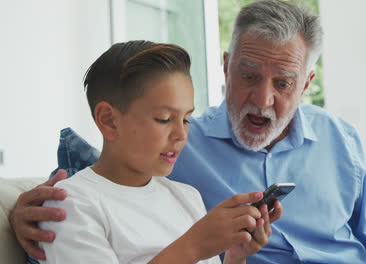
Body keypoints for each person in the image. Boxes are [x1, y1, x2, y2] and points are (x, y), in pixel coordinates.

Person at [9, 1, 366, 263]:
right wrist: (22, 209)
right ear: (226, 67)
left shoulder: (340, 139)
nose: (262, 99)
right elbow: (103, 180)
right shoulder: (175, 149)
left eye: (283, 83)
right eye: (248, 75)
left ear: (306, 84)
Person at [31, 41, 282, 264]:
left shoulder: (185, 197)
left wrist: (235, 257)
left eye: (185, 119)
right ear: (108, 120)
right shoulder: (71, 205)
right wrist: (192, 246)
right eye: (164, 119)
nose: (181, 134)